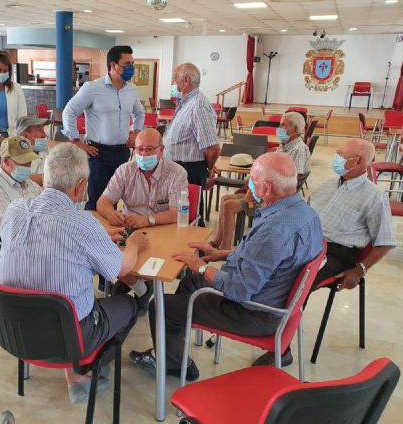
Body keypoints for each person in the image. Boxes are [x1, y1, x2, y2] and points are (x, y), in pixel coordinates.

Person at [129, 153, 323, 381]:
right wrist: (220, 253)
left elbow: (239, 290)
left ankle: (170, 363)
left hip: (253, 312)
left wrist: (200, 266)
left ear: (267, 189)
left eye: (252, 179)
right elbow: (270, 259)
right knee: (190, 281)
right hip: (272, 298)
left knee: (161, 306)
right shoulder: (305, 213)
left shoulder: (273, 230)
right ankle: (176, 352)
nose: (247, 185)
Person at [0, 143, 148, 403]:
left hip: (12, 331)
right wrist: (134, 244)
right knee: (130, 305)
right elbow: (122, 268)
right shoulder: (81, 223)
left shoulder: (15, 210)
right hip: (66, 339)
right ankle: (86, 370)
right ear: (80, 186)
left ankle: (76, 373)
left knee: (62, 296)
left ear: (45, 178)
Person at [252, 138, 395, 367]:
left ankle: (282, 348)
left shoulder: (374, 196)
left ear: (357, 161)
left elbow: (385, 242)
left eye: (340, 153)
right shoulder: (329, 184)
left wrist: (359, 269)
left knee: (295, 280)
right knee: (263, 260)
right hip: (308, 239)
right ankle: (257, 321)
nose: (335, 158)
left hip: (337, 252)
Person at [97, 128, 188, 311]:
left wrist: (147, 220)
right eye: (139, 149)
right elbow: (103, 202)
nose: (143, 154)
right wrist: (111, 214)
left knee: (149, 261)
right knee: (103, 253)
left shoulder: (176, 173)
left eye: (149, 149)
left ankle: (134, 284)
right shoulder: (125, 171)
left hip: (165, 230)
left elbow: (176, 213)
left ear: (161, 151)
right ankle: (140, 288)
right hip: (130, 229)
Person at [208, 111, 312, 249]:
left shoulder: (299, 149)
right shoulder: (284, 146)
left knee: (229, 206)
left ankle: (225, 247)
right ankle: (218, 240)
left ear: (293, 129)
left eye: (282, 125)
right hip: (265, 192)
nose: (279, 128)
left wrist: (258, 191)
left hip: (275, 200)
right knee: (225, 199)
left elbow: (291, 184)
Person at [63, 45, 145, 211]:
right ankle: (91, 236)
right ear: (113, 65)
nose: (131, 68)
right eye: (127, 64)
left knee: (114, 201)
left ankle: (110, 236)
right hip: (98, 153)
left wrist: (136, 133)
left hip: (122, 152)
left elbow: (140, 113)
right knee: (97, 202)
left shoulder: (131, 90)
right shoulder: (92, 88)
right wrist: (75, 141)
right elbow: (69, 112)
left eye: (132, 63)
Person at [0, 136, 41, 271]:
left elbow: (44, 206)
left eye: (29, 162)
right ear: (6, 161)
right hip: (0, 249)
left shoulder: (26, 182)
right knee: (51, 262)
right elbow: (10, 229)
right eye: (23, 163)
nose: (28, 167)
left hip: (29, 240)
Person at [163, 63, 220, 189]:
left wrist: (208, 168)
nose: (173, 83)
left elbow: (212, 147)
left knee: (188, 207)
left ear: (186, 80)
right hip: (177, 167)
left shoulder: (198, 106)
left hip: (189, 170)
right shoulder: (187, 102)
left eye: (174, 78)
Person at [15, 115, 50, 186]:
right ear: (24, 136)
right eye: (39, 130)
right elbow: (19, 181)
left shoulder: (46, 151)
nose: (44, 135)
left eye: (43, 130)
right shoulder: (14, 157)